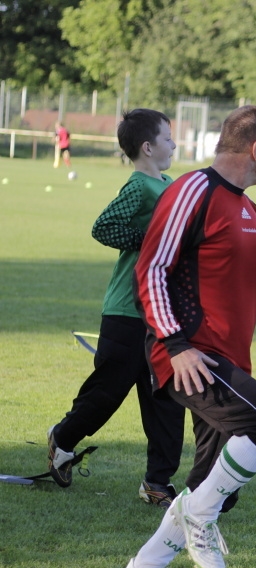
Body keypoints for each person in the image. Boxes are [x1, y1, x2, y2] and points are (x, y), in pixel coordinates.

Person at [122, 106, 256, 568]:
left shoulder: (248, 207)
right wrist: (175, 344)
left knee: (211, 485)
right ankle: (197, 516)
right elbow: (152, 269)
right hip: (191, 355)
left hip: (227, 362)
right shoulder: (193, 190)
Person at [46, 109, 186, 508]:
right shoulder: (140, 187)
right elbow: (104, 226)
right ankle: (63, 439)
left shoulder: (170, 185)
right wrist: (150, 238)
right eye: (168, 138)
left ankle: (157, 482)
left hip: (162, 313)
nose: (173, 144)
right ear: (148, 147)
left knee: (166, 399)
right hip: (127, 309)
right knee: (108, 391)